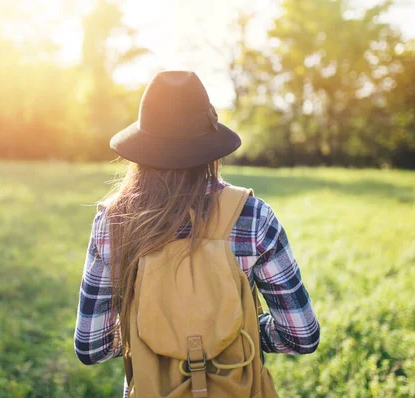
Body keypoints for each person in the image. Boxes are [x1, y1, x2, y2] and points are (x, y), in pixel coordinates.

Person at [74, 71, 320, 397]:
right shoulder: (254, 215)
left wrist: (152, 329)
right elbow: (302, 336)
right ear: (211, 149)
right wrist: (235, 326)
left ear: (143, 146)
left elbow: (92, 347)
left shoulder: (113, 221)